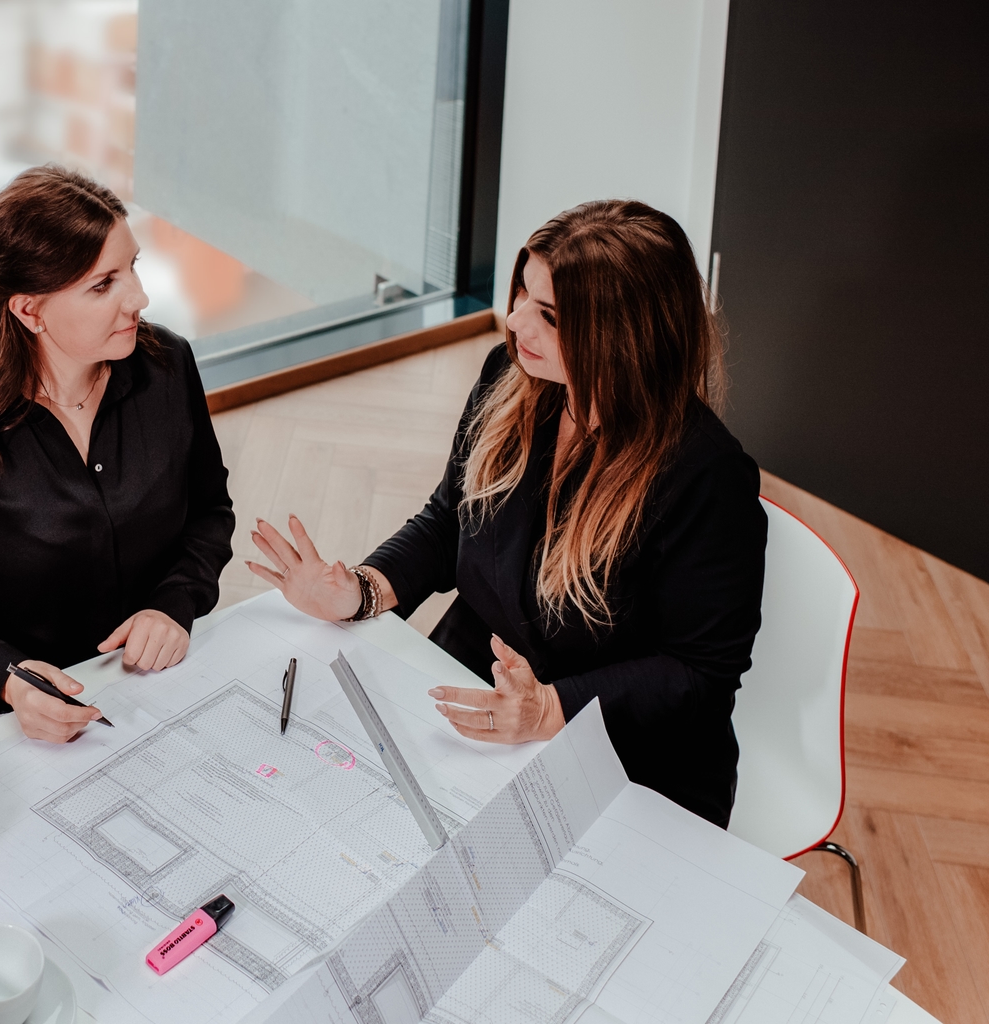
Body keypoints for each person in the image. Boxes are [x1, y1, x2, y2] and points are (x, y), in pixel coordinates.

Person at [248, 200, 766, 827]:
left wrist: (550, 708)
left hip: (622, 753)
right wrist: (360, 591)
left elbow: (698, 675)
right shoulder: (512, 379)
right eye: (523, 290)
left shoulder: (706, 477)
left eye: (548, 314)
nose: (516, 319)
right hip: (477, 693)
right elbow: (449, 520)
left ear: (622, 337)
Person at [0, 166, 234, 743]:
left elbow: (209, 511)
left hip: (154, 685)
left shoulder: (169, 364)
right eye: (103, 284)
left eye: (132, 268)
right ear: (29, 311)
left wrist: (174, 603)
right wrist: (4, 678)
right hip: (8, 719)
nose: (138, 298)